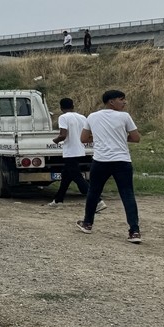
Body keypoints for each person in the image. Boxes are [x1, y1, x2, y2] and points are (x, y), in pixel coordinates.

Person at [76, 90, 142, 244]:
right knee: (127, 195)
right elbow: (136, 138)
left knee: (93, 192)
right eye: (121, 99)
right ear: (111, 101)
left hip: (100, 161)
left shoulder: (92, 116)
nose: (124, 102)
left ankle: (87, 223)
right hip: (122, 161)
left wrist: (100, 137)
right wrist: (120, 137)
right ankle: (134, 231)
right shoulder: (124, 116)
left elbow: (83, 138)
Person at [48, 97, 105, 210]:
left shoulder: (63, 117)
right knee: (66, 176)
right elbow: (88, 133)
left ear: (61, 107)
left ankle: (97, 201)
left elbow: (63, 135)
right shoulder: (82, 117)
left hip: (70, 152)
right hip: (80, 150)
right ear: (73, 106)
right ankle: (58, 200)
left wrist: (55, 141)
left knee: (78, 178)